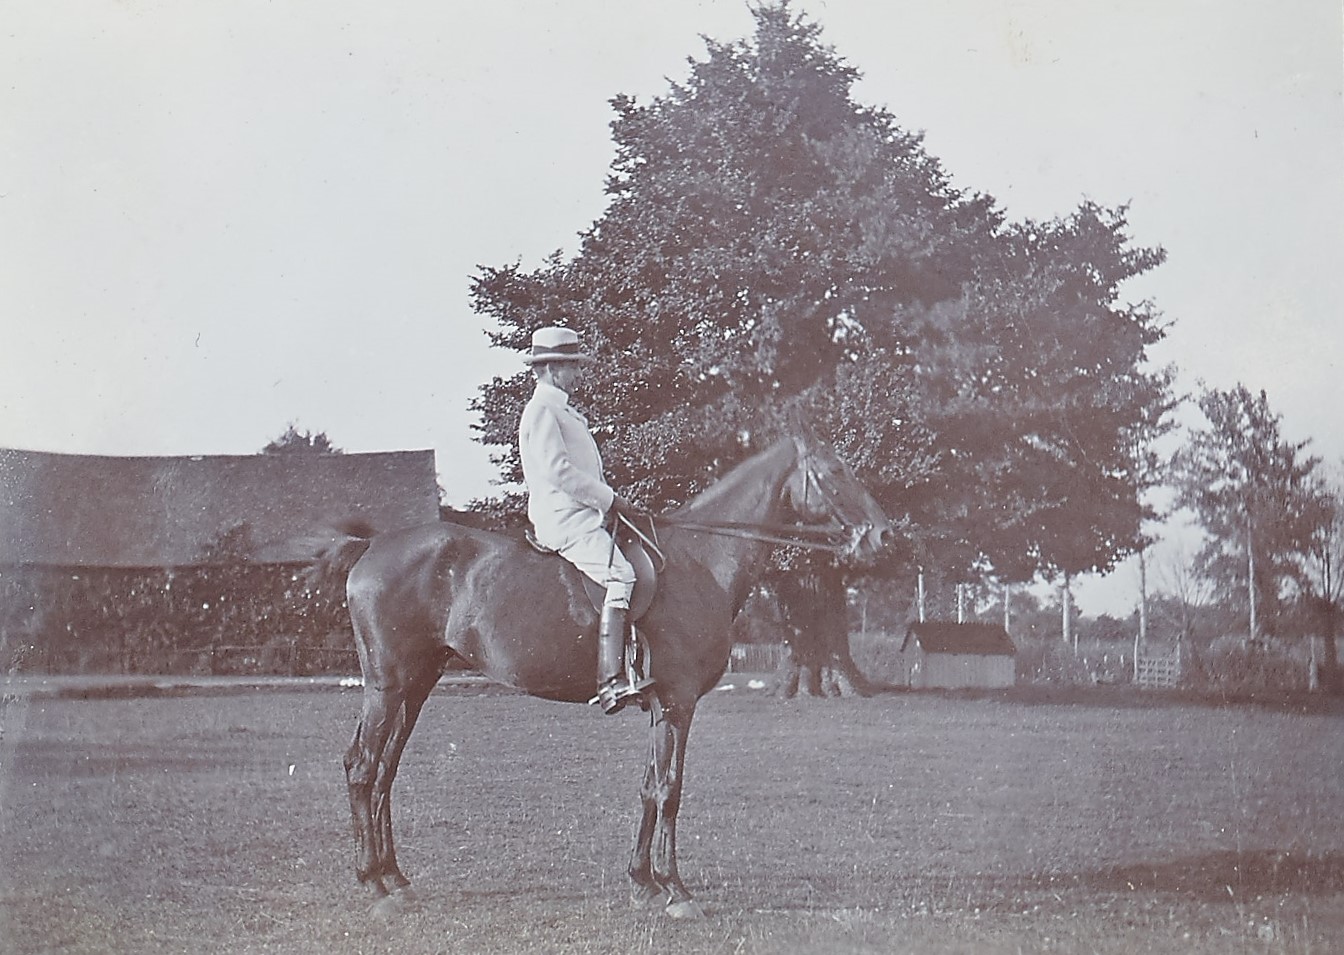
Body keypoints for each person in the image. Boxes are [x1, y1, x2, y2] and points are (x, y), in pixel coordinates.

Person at [518, 326, 654, 714]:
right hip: (564, 518)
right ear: (551, 368)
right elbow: (559, 471)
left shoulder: (562, 410)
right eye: (570, 367)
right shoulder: (543, 410)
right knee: (621, 576)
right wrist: (611, 500)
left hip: (583, 512)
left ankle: (633, 663)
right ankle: (611, 681)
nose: (577, 374)